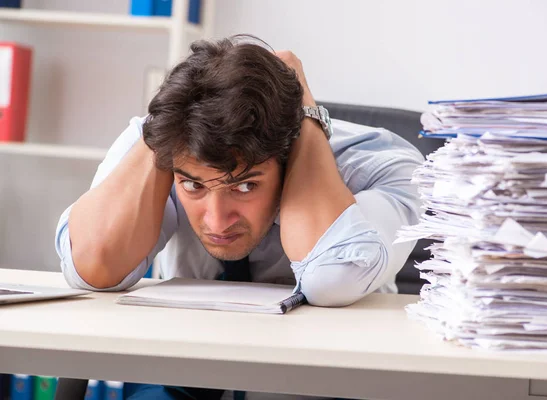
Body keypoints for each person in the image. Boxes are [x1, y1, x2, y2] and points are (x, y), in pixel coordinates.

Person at [54, 35, 423, 400]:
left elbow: (334, 279)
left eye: (245, 186)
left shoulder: (384, 165)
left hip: (321, 379)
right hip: (182, 364)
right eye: (193, 186)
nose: (217, 222)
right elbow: (92, 267)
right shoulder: (168, 139)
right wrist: (166, 122)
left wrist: (306, 114)